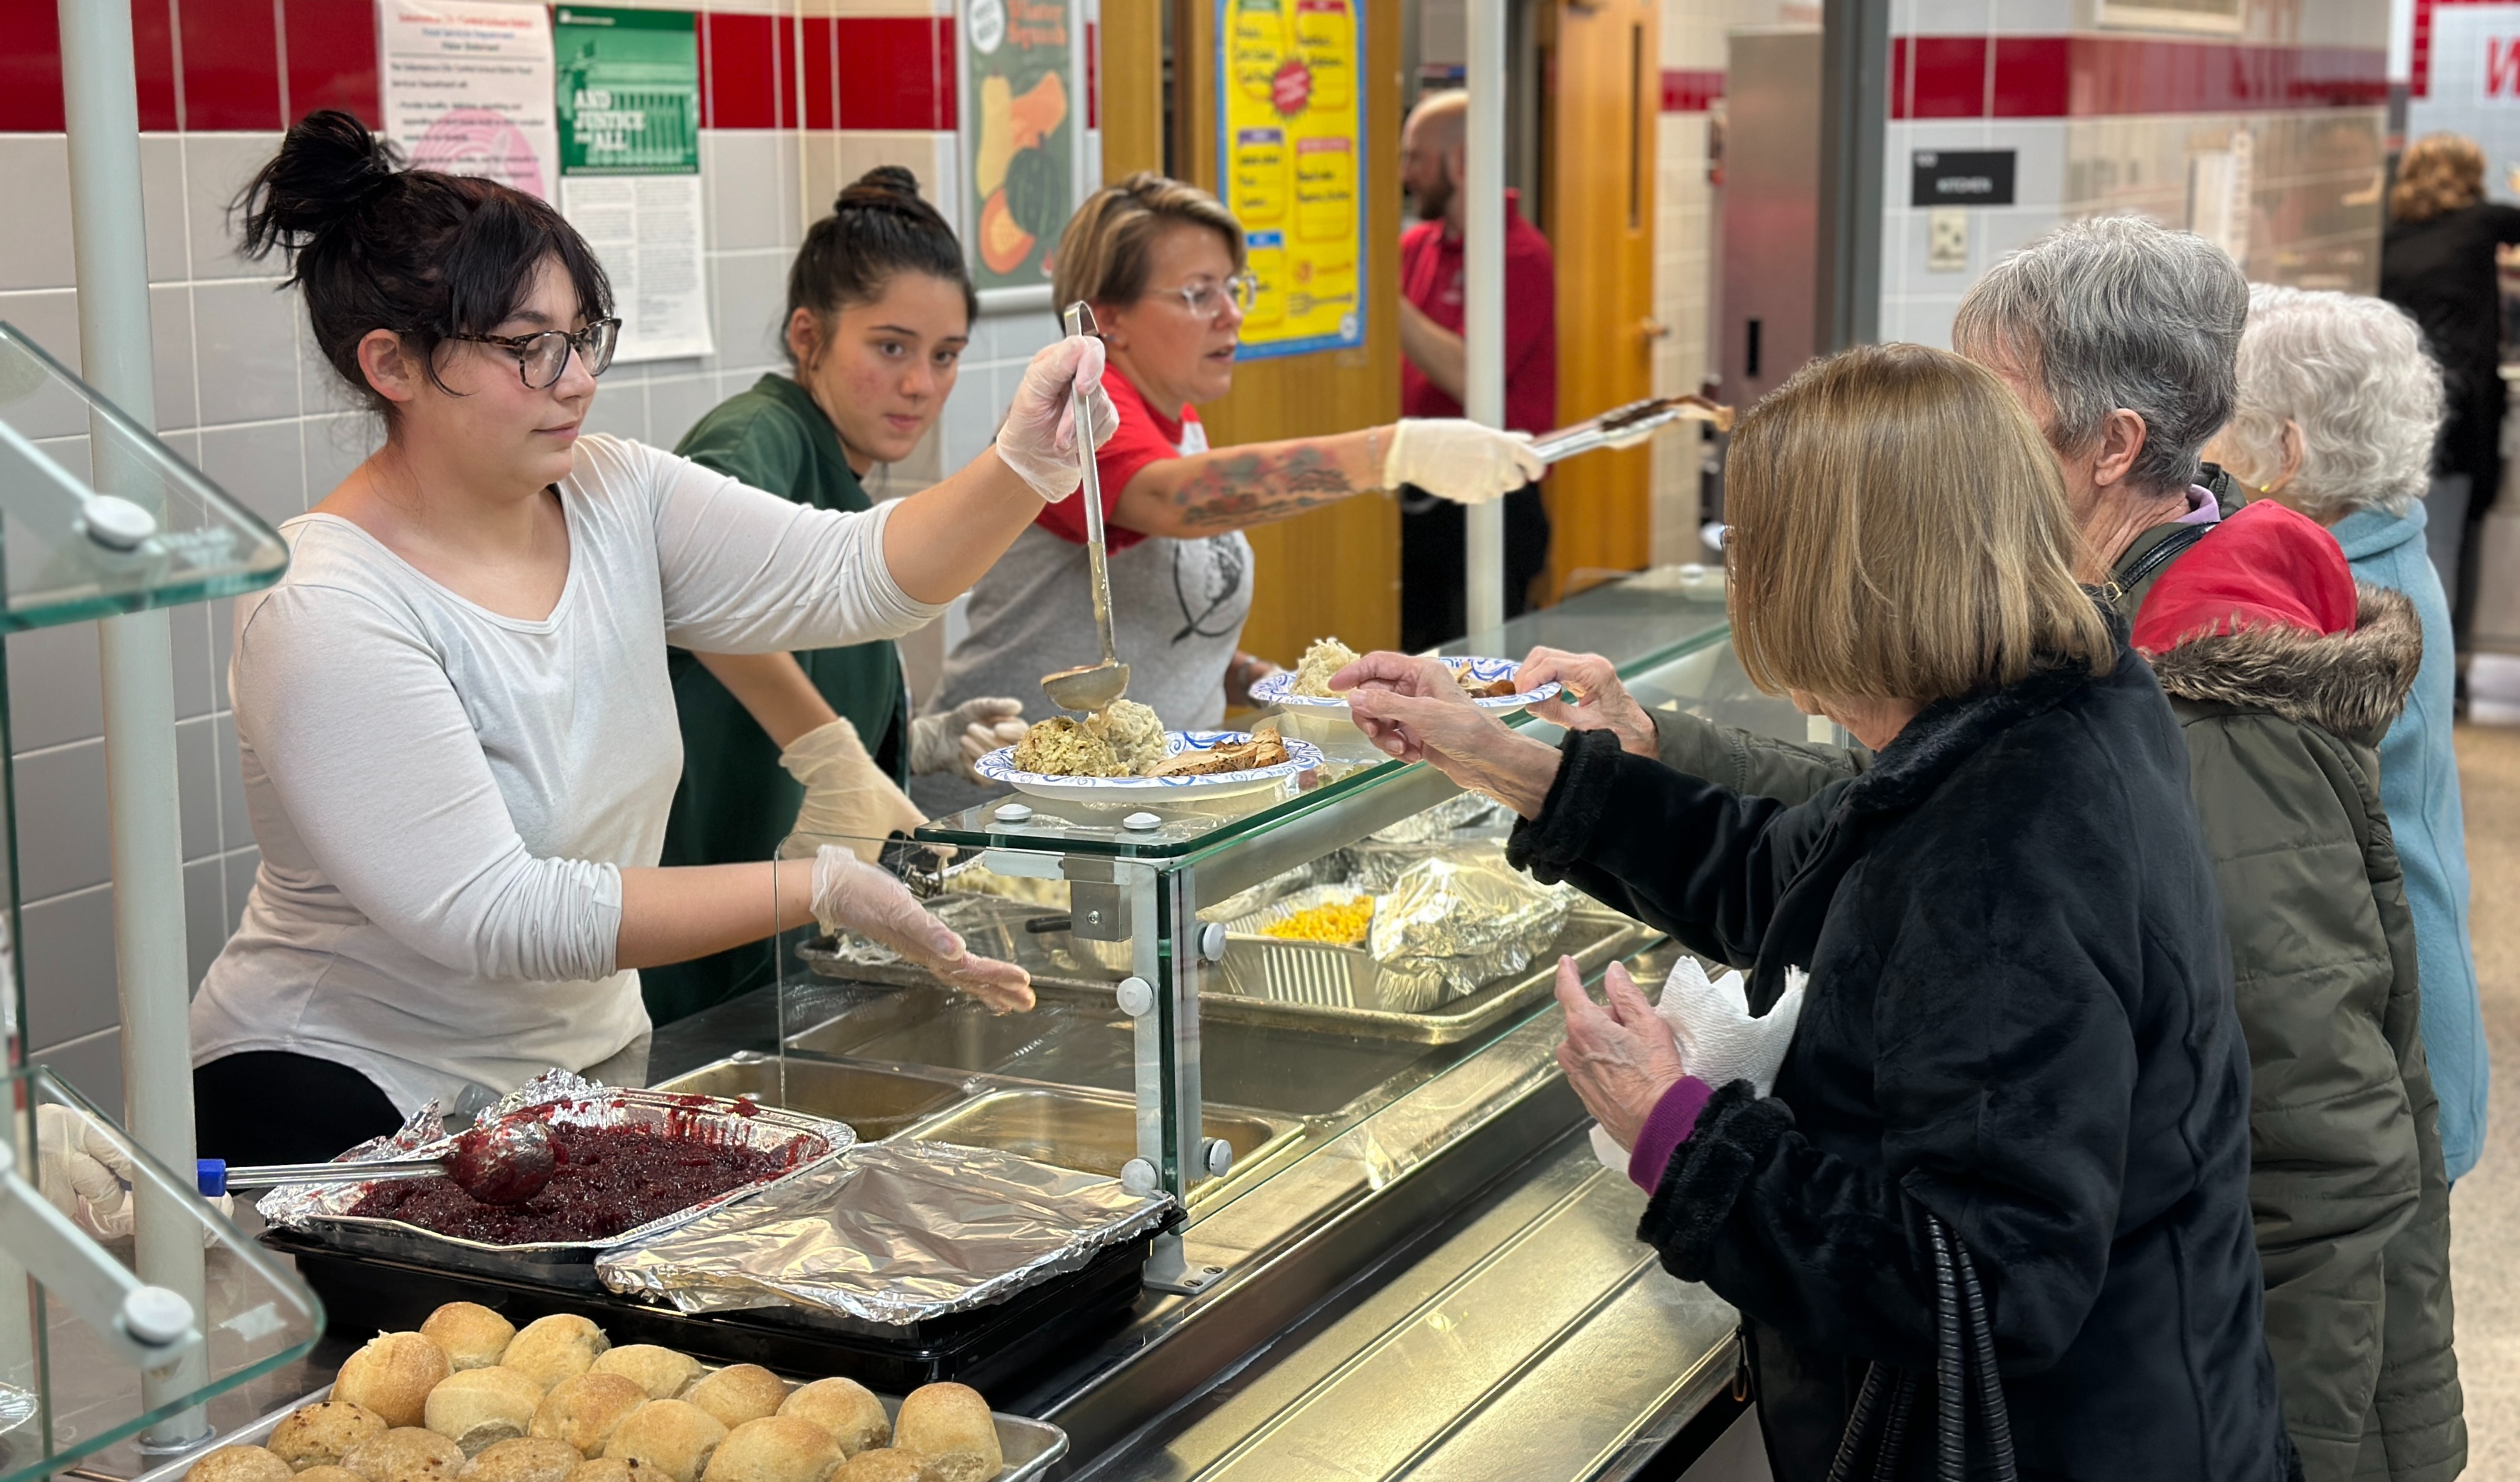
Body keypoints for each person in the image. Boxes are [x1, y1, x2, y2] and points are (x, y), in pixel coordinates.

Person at [1524, 219, 2464, 1482]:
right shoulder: (2052, 704)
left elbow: (1999, 1275)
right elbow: (1807, 858)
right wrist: (1540, 774)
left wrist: (1681, 1140)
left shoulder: (2031, 810)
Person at [1338, 344, 2292, 1479]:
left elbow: (1988, 1282)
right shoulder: (2027, 714)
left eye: (1751, 550)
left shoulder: (2001, 847)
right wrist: (1506, 761)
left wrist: (1676, 1133)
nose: (1739, 577)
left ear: (1835, 576)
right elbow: (1781, 871)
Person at [188, 113, 1113, 1161]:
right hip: (349, 1094)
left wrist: (1022, 465)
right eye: (527, 348)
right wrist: (812, 885)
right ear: (392, 365)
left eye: (583, 336)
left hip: (571, 1077)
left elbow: (856, 574)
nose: (576, 377)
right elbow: (492, 912)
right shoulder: (326, 601)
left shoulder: (611, 491)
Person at [911, 172, 1545, 817]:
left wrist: (1232, 669)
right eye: (1197, 293)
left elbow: (1159, 593)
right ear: (1109, 319)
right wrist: (1389, 454)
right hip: (1007, 806)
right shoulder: (1075, 413)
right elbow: (1170, 500)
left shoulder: (1177, 415)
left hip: (1139, 807)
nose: (1231, 312)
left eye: (1232, 287)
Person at [644, 168, 1030, 1026]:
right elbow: (691, 592)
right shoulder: (756, 440)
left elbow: (810, 636)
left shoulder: (838, 470)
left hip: (786, 930)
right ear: (808, 335)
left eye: (945, 355)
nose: (922, 384)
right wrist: (830, 755)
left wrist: (914, 740)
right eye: (890, 348)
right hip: (710, 919)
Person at [2206, 283, 2488, 1185]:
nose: (2203, 446)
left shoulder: (2338, 602)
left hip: (2386, 1027)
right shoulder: (2383, 541)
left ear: (2285, 450)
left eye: (2222, 419)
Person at [1394, 89, 1558, 651]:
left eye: (1416, 157)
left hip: (1492, 503)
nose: (1406, 173)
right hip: (1420, 494)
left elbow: (1473, 378)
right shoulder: (1417, 247)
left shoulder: (1519, 255)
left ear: (1461, 161)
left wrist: (1384, 302)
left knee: (1476, 664)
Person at [2380, 132, 2520, 626]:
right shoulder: (2484, 223)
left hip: (2391, 404)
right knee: (2445, 546)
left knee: (2400, 541)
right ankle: (2441, 672)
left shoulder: (2387, 235)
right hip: (2460, 408)